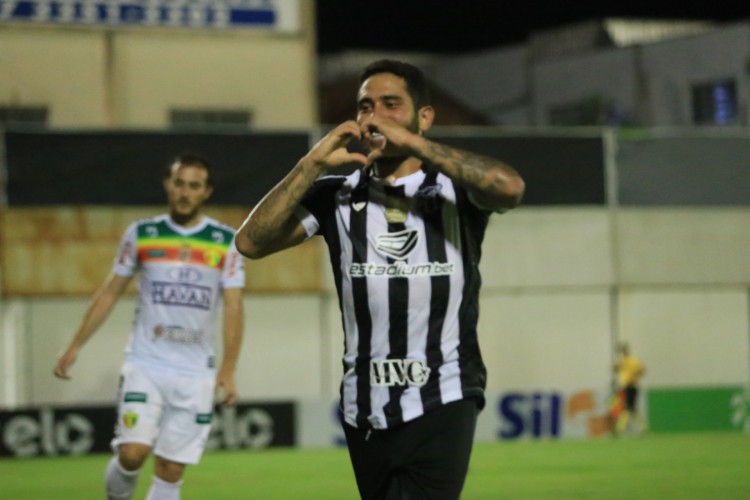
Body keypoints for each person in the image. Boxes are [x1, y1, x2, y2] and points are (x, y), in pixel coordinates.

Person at [235, 59, 525, 499]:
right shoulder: (336, 194)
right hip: (363, 404)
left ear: (423, 117)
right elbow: (251, 242)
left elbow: (510, 188)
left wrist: (412, 143)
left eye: (392, 104)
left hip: (443, 392)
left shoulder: (456, 190)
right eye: (366, 106)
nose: (375, 116)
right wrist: (311, 163)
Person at [53, 153, 245, 500]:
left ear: (207, 191)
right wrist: (74, 345)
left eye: (194, 186)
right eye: (179, 183)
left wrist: (229, 369)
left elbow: (233, 306)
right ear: (168, 185)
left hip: (194, 370)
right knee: (132, 453)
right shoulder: (142, 234)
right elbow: (110, 292)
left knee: (170, 470)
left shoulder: (226, 241)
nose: (185, 192)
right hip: (146, 362)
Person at [612, 341, 647, 436]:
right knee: (630, 408)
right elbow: (615, 368)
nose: (622, 351)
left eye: (623, 349)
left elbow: (641, 369)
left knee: (627, 407)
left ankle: (619, 429)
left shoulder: (632, 360)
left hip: (631, 386)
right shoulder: (622, 360)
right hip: (625, 386)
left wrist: (634, 378)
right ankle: (643, 427)